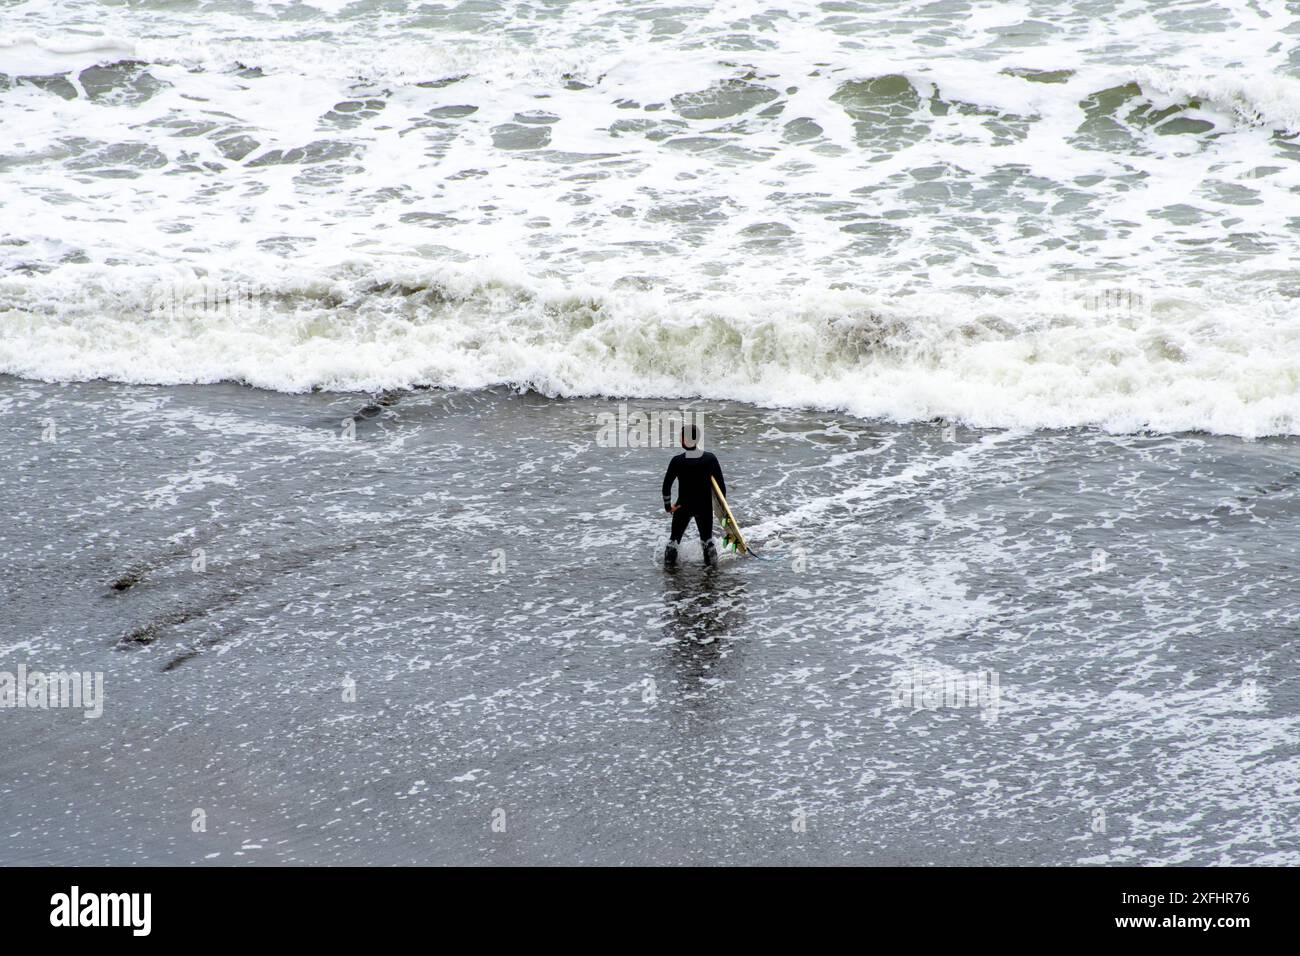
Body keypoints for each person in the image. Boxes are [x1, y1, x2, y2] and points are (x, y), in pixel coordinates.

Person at [661, 424, 725, 568]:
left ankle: (669, 572)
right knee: (707, 542)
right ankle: (712, 573)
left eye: (680, 437)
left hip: (683, 506)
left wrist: (668, 506)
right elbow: (721, 488)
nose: (679, 439)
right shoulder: (710, 459)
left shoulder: (677, 461)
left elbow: (666, 486)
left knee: (674, 541)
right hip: (704, 507)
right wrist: (720, 511)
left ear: (685, 439)